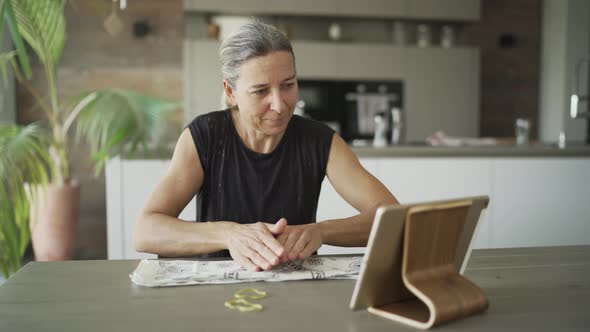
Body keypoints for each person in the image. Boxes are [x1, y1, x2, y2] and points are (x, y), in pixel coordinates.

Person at [134, 21, 398, 272]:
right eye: (261, 91)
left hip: (298, 291)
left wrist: (320, 232)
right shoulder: (204, 136)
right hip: (217, 294)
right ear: (230, 92)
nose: (279, 104)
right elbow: (146, 231)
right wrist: (229, 234)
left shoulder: (320, 140)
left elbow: (393, 219)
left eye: (288, 85)